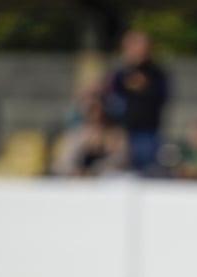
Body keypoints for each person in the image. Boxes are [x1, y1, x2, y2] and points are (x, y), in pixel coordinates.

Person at [105, 30, 169, 173]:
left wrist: (144, 86)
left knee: (146, 171)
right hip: (122, 131)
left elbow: (162, 97)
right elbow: (113, 97)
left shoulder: (156, 73)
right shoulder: (121, 73)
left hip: (147, 130)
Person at [50, 95, 128, 177]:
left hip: (105, 180)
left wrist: (95, 170)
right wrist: (77, 170)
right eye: (90, 112)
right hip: (79, 180)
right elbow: (64, 162)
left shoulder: (115, 133)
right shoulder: (78, 134)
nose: (95, 116)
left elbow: (120, 160)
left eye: (97, 111)